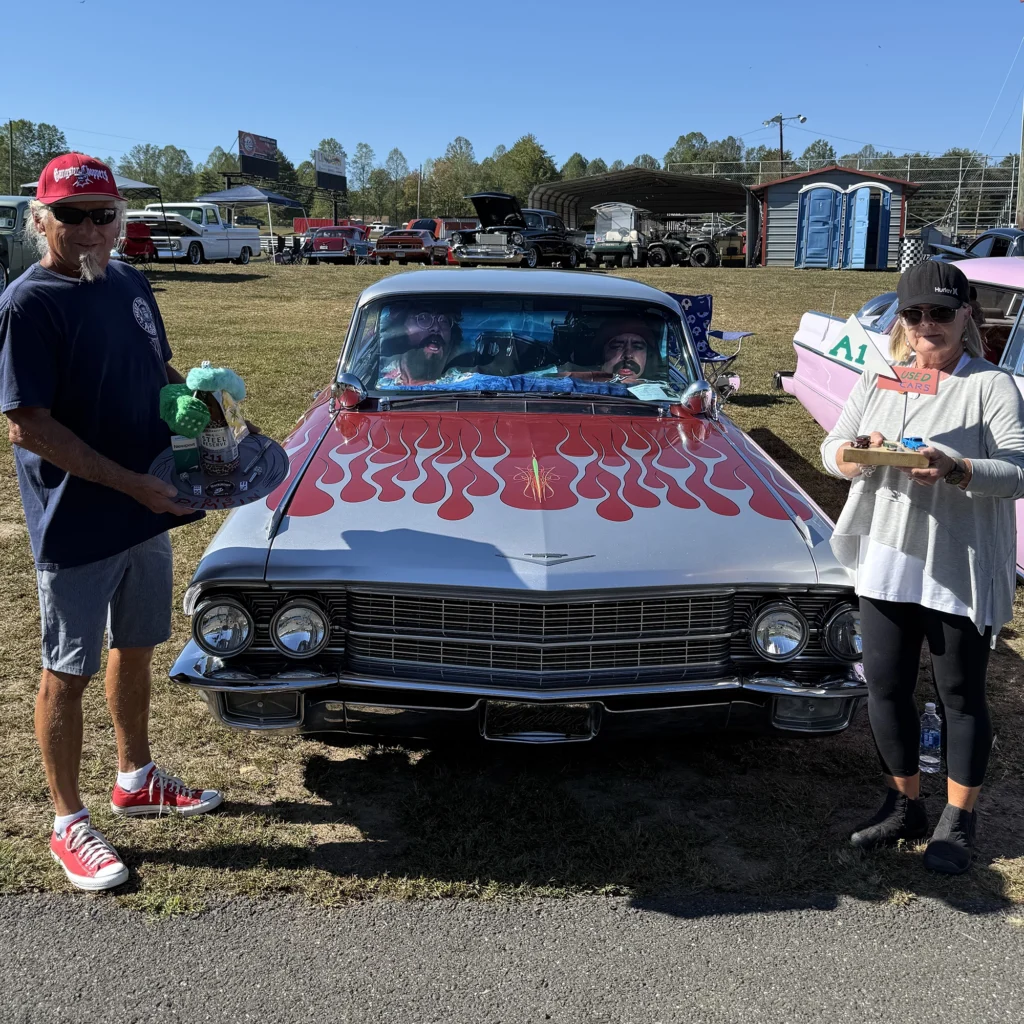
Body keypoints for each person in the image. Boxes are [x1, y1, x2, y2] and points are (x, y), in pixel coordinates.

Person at [0, 154, 222, 892]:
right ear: (42, 221)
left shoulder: (127, 280)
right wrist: (132, 483)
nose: (92, 230)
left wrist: (193, 407)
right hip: (78, 520)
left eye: (104, 215)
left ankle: (136, 777)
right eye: (72, 216)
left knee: (137, 645)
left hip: (146, 506)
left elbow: (158, 367)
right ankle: (68, 822)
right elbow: (28, 426)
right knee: (68, 669)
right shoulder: (28, 303)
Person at [821, 260, 1024, 874]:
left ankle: (959, 821)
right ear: (901, 321)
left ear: (968, 315)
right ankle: (903, 802)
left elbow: (1017, 471)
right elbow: (835, 447)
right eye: (915, 314)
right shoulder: (879, 376)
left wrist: (958, 467)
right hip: (887, 556)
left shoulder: (991, 385)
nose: (927, 325)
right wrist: (855, 458)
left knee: (959, 694)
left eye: (941, 312)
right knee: (884, 687)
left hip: (958, 562)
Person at [376, 303, 467, 387]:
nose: (436, 327)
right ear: (401, 327)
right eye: (423, 318)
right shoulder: (377, 373)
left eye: (444, 321)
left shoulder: (465, 382)